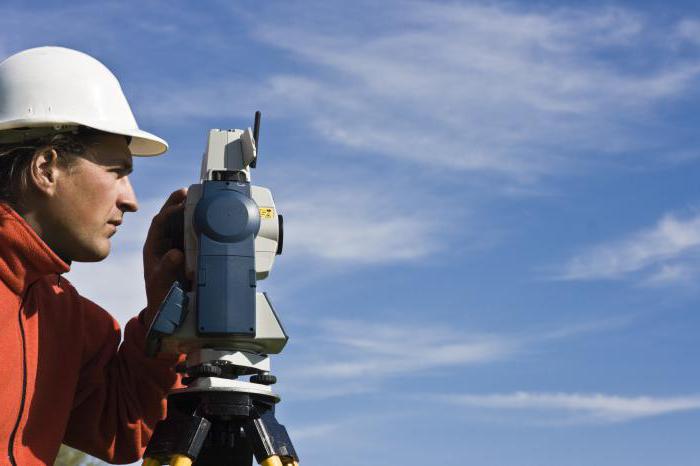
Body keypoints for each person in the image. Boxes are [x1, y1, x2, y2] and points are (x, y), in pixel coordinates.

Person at [0, 46, 184, 464]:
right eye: (116, 173)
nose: (131, 201)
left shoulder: (70, 321)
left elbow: (120, 427)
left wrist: (164, 322)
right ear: (46, 167)